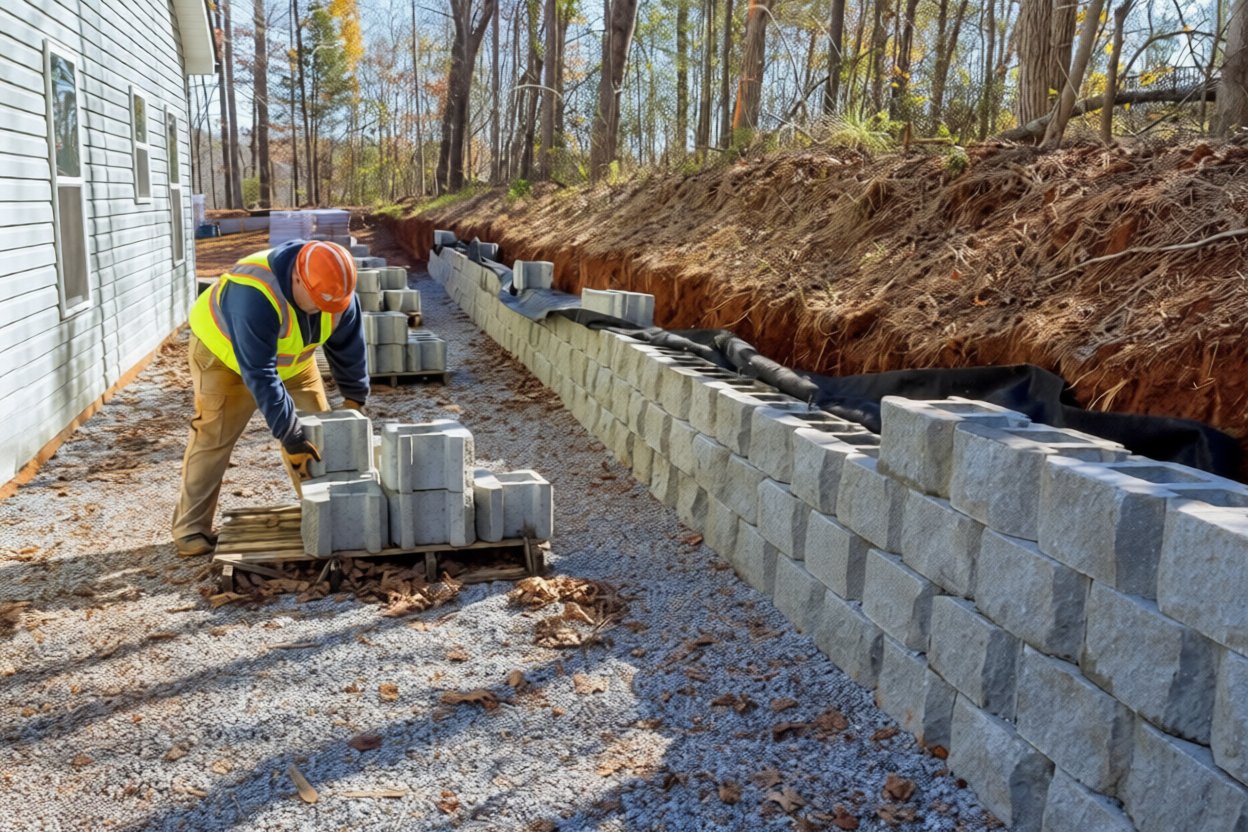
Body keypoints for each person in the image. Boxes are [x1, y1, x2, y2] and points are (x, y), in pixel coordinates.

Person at [171, 240, 370, 557]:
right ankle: (190, 529)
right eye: (316, 302)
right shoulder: (253, 292)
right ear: (296, 279)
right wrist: (291, 436)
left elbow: (349, 348)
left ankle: (322, 515)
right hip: (224, 358)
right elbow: (260, 373)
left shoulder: (338, 293)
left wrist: (354, 401)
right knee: (214, 435)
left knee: (321, 436)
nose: (322, 310)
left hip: (294, 362)